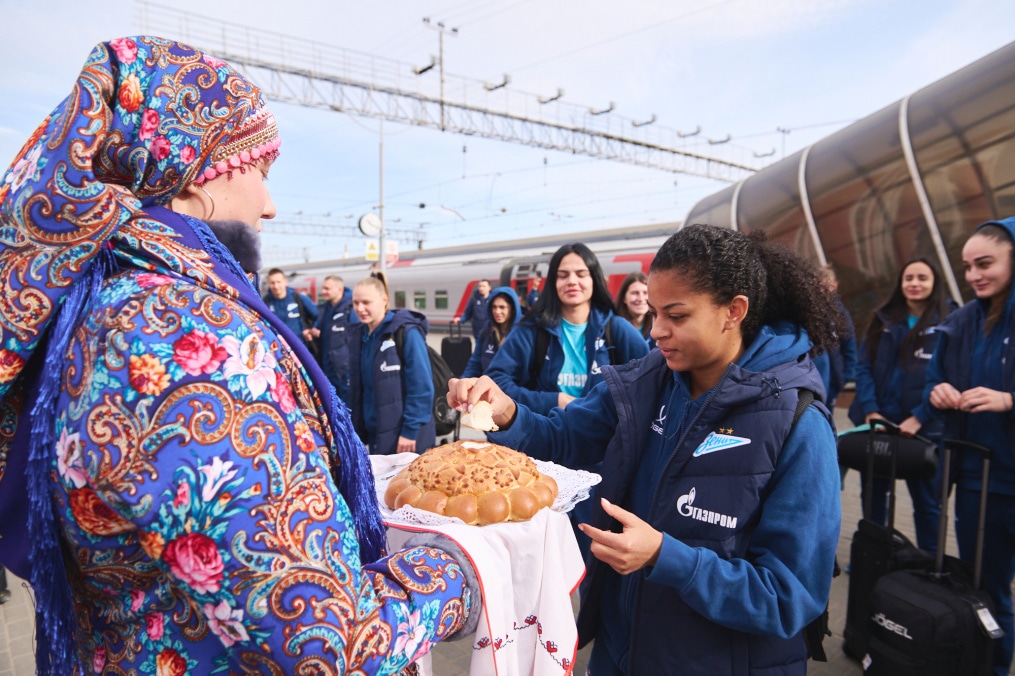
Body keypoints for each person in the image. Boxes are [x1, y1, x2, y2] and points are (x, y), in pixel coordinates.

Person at [0, 37, 478, 675]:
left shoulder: (108, 304)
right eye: (262, 169)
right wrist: (464, 569)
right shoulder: (169, 329)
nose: (270, 205)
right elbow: (324, 637)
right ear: (203, 172)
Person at [449, 224, 844, 675]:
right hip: (623, 651)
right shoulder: (648, 382)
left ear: (733, 311)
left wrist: (665, 556)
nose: (656, 331)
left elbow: (788, 596)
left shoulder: (798, 423)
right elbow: (563, 437)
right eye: (654, 312)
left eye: (676, 316)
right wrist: (508, 414)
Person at [925, 217, 1015, 676]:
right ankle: (990, 668)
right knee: (987, 587)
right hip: (979, 480)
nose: (975, 275)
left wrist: (1008, 400)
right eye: (968, 267)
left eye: (986, 263)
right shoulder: (960, 322)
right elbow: (932, 381)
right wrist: (938, 393)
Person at [848, 258, 952, 552]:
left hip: (924, 430)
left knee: (928, 504)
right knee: (874, 499)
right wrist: (870, 411)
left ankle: (928, 565)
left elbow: (947, 377)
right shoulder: (882, 320)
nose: (915, 284)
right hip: (878, 425)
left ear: (934, 283)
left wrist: (919, 417)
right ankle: (873, 557)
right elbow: (863, 367)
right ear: (901, 283)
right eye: (909, 278)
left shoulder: (949, 322)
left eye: (922, 278)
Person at [485, 243, 649, 416]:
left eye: (581, 274)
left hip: (603, 440)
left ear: (594, 279)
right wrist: (550, 401)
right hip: (544, 436)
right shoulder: (531, 330)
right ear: (553, 283)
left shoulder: (616, 329)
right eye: (562, 275)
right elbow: (496, 381)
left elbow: (649, 381)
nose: (572, 281)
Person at [349, 273, 437, 455]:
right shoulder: (359, 336)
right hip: (376, 434)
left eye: (366, 302)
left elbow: (422, 387)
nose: (360, 308)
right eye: (355, 303)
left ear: (384, 300)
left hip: (406, 437)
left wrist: (410, 432)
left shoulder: (406, 333)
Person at [811, 265, 857, 409]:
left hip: (832, 381)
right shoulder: (807, 312)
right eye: (817, 286)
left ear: (835, 286)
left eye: (826, 287)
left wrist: (843, 377)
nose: (821, 291)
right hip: (814, 379)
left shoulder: (840, 314)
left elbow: (849, 348)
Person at [306, 274, 358, 403]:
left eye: (327, 289)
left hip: (344, 372)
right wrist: (313, 333)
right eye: (323, 288)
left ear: (339, 289)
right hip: (327, 370)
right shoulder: (324, 309)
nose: (323, 292)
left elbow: (357, 336)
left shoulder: (351, 309)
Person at [461, 286, 522, 378]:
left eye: (502, 307)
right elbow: (475, 363)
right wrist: (463, 381)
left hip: (510, 390)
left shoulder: (523, 334)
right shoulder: (486, 332)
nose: (497, 311)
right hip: (487, 387)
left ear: (512, 309)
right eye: (494, 307)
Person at [264, 267, 318, 354]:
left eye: (278, 282)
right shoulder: (265, 303)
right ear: (268, 284)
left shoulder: (298, 298)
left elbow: (318, 315)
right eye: (272, 283)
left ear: (285, 282)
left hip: (301, 349)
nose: (276, 286)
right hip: (278, 351)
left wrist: (312, 329)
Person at [615, 271, 654, 347]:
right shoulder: (614, 328)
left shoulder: (657, 325)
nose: (641, 298)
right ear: (624, 298)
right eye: (635, 293)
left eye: (645, 293)